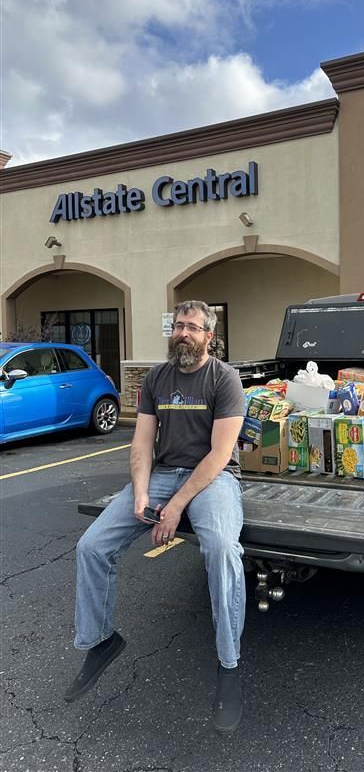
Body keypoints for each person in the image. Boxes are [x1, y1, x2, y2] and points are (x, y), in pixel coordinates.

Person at [65, 300, 247, 733]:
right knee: (91, 545)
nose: (183, 333)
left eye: (192, 327)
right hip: (163, 474)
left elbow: (220, 455)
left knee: (222, 550)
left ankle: (229, 666)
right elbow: (142, 444)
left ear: (209, 337)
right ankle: (101, 641)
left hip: (214, 478)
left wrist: (176, 506)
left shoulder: (225, 380)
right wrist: (142, 494)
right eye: (178, 326)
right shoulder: (156, 378)